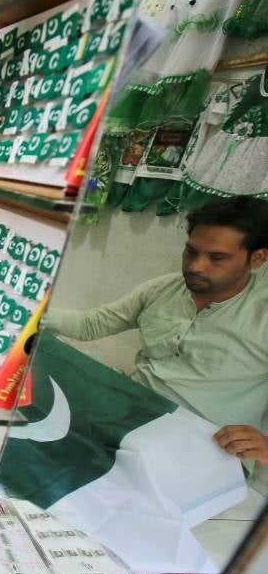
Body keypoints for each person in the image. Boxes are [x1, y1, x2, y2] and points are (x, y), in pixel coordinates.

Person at [46, 197, 268, 465]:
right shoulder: (163, 289)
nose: (196, 266)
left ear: (256, 258)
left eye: (217, 257)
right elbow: (92, 324)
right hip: (127, 416)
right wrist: (26, 316)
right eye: (191, 252)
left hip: (204, 449)